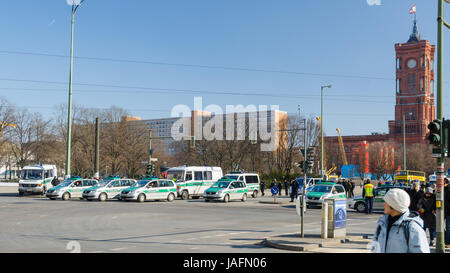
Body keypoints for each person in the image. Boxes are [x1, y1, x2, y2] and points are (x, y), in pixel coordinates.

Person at [370, 188, 430, 253]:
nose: (383, 204)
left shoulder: (412, 228)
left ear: (394, 205)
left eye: (386, 202)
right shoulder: (382, 224)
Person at [445, 178, 450, 247]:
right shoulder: (442, 190)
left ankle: (448, 242)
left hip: (448, 211)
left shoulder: (448, 190)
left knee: (448, 228)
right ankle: (446, 241)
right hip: (443, 211)